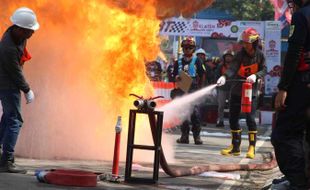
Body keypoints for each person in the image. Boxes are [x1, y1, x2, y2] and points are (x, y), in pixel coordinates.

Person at [271, 0, 310, 189]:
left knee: (284, 135)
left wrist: (283, 88)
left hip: (303, 85)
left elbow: (295, 52)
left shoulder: (302, 15)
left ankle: (299, 183)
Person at [217, 28, 267, 159]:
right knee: (233, 118)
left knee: (250, 118)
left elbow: (264, 69)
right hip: (237, 90)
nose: (244, 45)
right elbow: (233, 68)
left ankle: (252, 147)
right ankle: (235, 146)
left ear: (254, 43)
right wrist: (224, 77)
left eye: (247, 43)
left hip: (252, 91)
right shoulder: (239, 55)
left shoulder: (260, 55)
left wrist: (256, 76)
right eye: (243, 42)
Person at [0, 7, 39, 173]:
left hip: (8, 81)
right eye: (29, 31)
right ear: (20, 29)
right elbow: (15, 72)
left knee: (8, 118)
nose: (32, 34)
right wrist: (27, 89)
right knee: (15, 120)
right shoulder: (8, 48)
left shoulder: (18, 35)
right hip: (7, 85)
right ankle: (7, 161)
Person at [173, 37, 205, 145]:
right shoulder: (178, 62)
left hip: (193, 90)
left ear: (193, 49)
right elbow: (172, 75)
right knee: (183, 114)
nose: (187, 49)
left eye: (190, 47)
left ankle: (197, 136)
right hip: (182, 90)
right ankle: (184, 136)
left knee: (195, 114)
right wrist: (176, 78)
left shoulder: (198, 61)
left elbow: (202, 75)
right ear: (182, 48)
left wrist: (200, 89)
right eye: (185, 47)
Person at [215, 50, 235, 128]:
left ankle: (232, 121)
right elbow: (216, 75)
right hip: (222, 88)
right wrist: (218, 83)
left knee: (232, 106)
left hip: (232, 88)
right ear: (224, 57)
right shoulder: (220, 66)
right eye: (227, 56)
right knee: (221, 105)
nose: (228, 58)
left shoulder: (235, 66)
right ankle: (220, 121)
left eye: (230, 56)